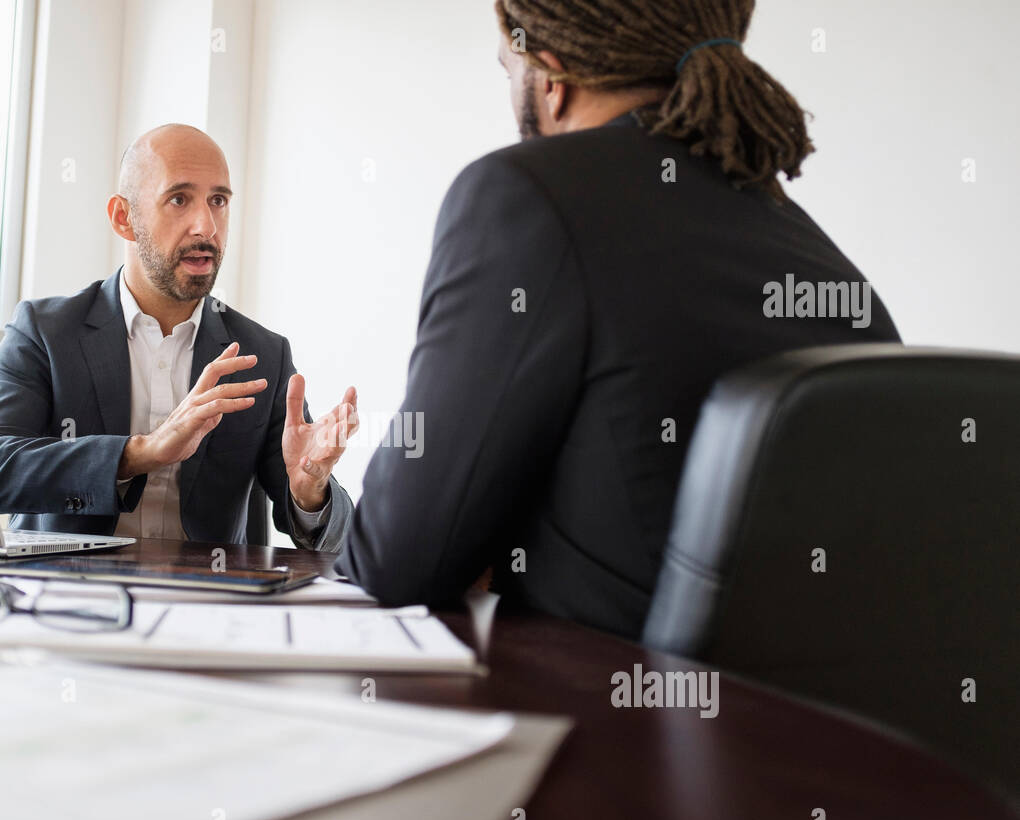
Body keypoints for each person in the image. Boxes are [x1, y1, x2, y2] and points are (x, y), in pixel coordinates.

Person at [335, 0, 901, 636]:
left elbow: (395, 563)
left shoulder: (526, 196)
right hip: (790, 727)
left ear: (550, 77)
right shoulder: (827, 265)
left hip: (606, 719)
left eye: (509, 68)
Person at [0, 124, 356, 549]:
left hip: (209, 602)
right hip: (70, 599)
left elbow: (329, 533)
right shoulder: (45, 331)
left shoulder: (263, 354)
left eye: (218, 201)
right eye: (179, 199)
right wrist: (139, 453)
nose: (206, 226)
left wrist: (309, 491)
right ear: (124, 218)